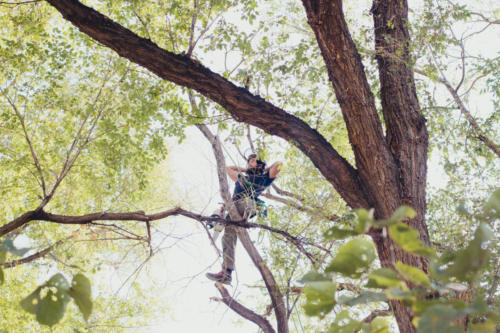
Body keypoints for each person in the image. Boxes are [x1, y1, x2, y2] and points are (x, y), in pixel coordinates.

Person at [206, 154, 282, 284]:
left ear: (260, 166)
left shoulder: (264, 178)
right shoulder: (242, 177)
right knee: (227, 237)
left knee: (244, 204)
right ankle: (227, 273)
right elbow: (227, 168)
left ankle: (236, 218)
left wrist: (263, 169)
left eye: (254, 161)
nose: (251, 163)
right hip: (233, 207)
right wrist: (247, 169)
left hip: (247, 205)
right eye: (250, 161)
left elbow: (279, 165)